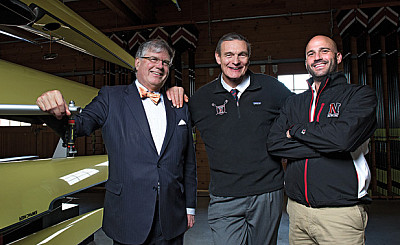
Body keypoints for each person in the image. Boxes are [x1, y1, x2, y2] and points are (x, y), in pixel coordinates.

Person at [36, 39, 197, 245]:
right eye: (153, 59)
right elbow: (80, 126)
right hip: (127, 213)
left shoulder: (178, 105)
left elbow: (189, 162)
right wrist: (55, 112)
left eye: (165, 62)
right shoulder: (111, 97)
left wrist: (189, 207)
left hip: (171, 215)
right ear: (137, 63)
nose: (159, 66)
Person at [168, 33, 293, 245]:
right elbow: (170, 132)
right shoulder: (201, 99)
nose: (235, 61)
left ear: (249, 58)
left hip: (267, 194)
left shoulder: (273, 89)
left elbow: (304, 113)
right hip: (224, 196)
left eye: (241, 55)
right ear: (218, 57)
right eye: (229, 55)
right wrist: (171, 93)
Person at [267, 35, 377, 244]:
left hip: (340, 214)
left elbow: (343, 140)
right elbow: (274, 144)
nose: (317, 57)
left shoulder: (359, 96)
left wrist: (297, 130)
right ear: (307, 62)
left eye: (324, 51)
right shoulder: (294, 103)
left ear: (338, 57)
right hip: (297, 212)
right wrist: (330, 145)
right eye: (311, 53)